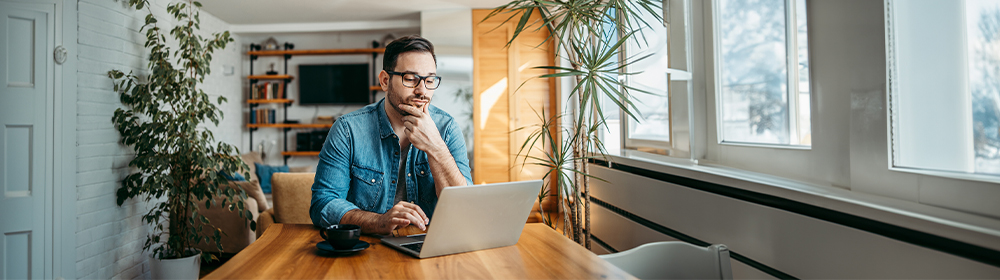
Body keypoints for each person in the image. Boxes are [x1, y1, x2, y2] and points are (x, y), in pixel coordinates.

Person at [309, 35, 472, 234]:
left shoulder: (447, 128)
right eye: (411, 79)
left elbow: (464, 207)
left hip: (431, 247)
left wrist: (435, 146)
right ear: (385, 81)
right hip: (367, 248)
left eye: (429, 80)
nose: (423, 91)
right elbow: (323, 204)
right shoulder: (347, 130)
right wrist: (379, 221)